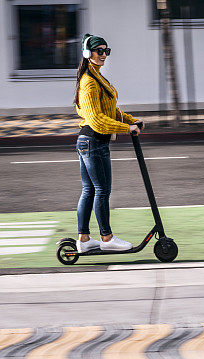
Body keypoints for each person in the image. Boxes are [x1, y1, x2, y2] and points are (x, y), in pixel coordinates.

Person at [73, 33, 143, 252]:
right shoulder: (89, 83)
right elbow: (97, 120)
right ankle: (107, 238)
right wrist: (126, 128)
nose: (104, 55)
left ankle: (84, 240)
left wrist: (131, 120)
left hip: (88, 141)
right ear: (88, 53)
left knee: (89, 190)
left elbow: (110, 110)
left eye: (106, 51)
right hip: (94, 141)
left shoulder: (97, 76)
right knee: (102, 190)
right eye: (99, 51)